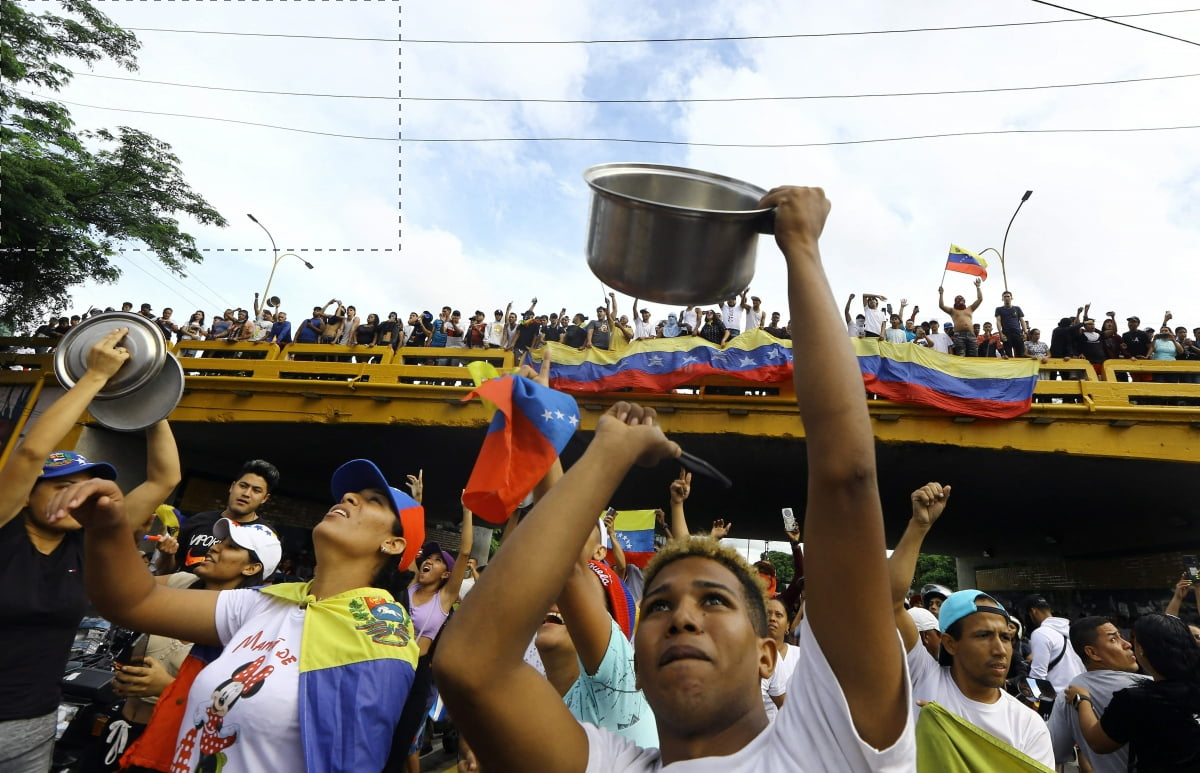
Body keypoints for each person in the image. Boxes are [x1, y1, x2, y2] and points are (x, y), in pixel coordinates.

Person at [436, 185, 914, 771]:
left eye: (713, 600)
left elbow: (847, 477)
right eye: (658, 607)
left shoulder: (833, 743)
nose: (682, 617)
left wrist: (802, 249)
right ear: (633, 663)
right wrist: (607, 454)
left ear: (769, 656)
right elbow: (469, 668)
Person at [47, 458, 425, 772]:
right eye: (351, 493)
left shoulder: (380, 636)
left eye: (372, 500)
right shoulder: (266, 602)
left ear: (393, 544)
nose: (349, 497)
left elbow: (353, 760)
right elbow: (133, 603)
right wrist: (107, 526)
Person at [0, 329, 181, 773]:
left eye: (84, 490)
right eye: (61, 487)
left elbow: (164, 479)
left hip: (33, 728)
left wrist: (146, 394)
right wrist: (95, 376)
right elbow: (31, 454)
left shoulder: (88, 543)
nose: (74, 498)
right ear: (26, 495)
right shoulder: (4, 526)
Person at [99, 518, 284, 771]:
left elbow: (238, 705)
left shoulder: (250, 628)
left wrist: (168, 688)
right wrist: (128, 537)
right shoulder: (182, 583)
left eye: (231, 547)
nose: (214, 548)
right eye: (220, 542)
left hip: (166, 748)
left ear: (252, 568)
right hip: (118, 726)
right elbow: (120, 587)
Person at [889, 483, 1054, 766]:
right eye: (983, 635)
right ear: (950, 643)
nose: (1000, 649)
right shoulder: (924, 677)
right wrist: (918, 526)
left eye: (1005, 637)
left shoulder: (1028, 724)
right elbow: (889, 599)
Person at [1065, 613, 1200, 772]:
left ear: (1142, 650)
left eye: (1134, 640)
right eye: (1114, 639)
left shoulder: (1137, 699)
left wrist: (1081, 699)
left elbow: (1098, 742)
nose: (1128, 644)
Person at [1046, 617, 1148, 773]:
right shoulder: (1151, 686)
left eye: (1121, 636)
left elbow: (1055, 751)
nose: (1127, 644)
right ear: (1093, 653)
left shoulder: (1068, 695)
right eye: (1114, 639)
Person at [162, 459, 280, 573]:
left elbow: (265, 584)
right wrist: (167, 555)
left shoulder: (266, 535)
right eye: (243, 486)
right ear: (232, 487)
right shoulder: (200, 520)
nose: (246, 494)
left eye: (256, 490)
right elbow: (167, 571)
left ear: (265, 498)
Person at [1022, 594, 1085, 695]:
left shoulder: (1041, 633)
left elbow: (1037, 673)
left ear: (1033, 612)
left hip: (1057, 700)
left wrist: (1032, 697)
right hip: (1079, 696)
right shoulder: (1070, 631)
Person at [938, 278, 982, 357]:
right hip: (959, 335)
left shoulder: (970, 308)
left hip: (971, 334)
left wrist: (978, 287)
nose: (960, 301)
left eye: (961, 300)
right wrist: (941, 293)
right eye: (958, 300)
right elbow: (941, 306)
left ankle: (972, 369)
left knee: (974, 355)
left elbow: (980, 299)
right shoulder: (953, 310)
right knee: (961, 355)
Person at [994, 291, 1028, 358]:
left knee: (1021, 354)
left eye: (1008, 296)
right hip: (1006, 334)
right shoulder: (999, 309)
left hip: (1018, 333)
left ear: (1011, 298)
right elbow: (998, 321)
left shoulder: (1017, 308)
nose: (1006, 298)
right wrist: (1000, 333)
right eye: (1005, 297)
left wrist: (1025, 332)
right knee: (1008, 354)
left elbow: (1022, 321)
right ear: (1002, 299)